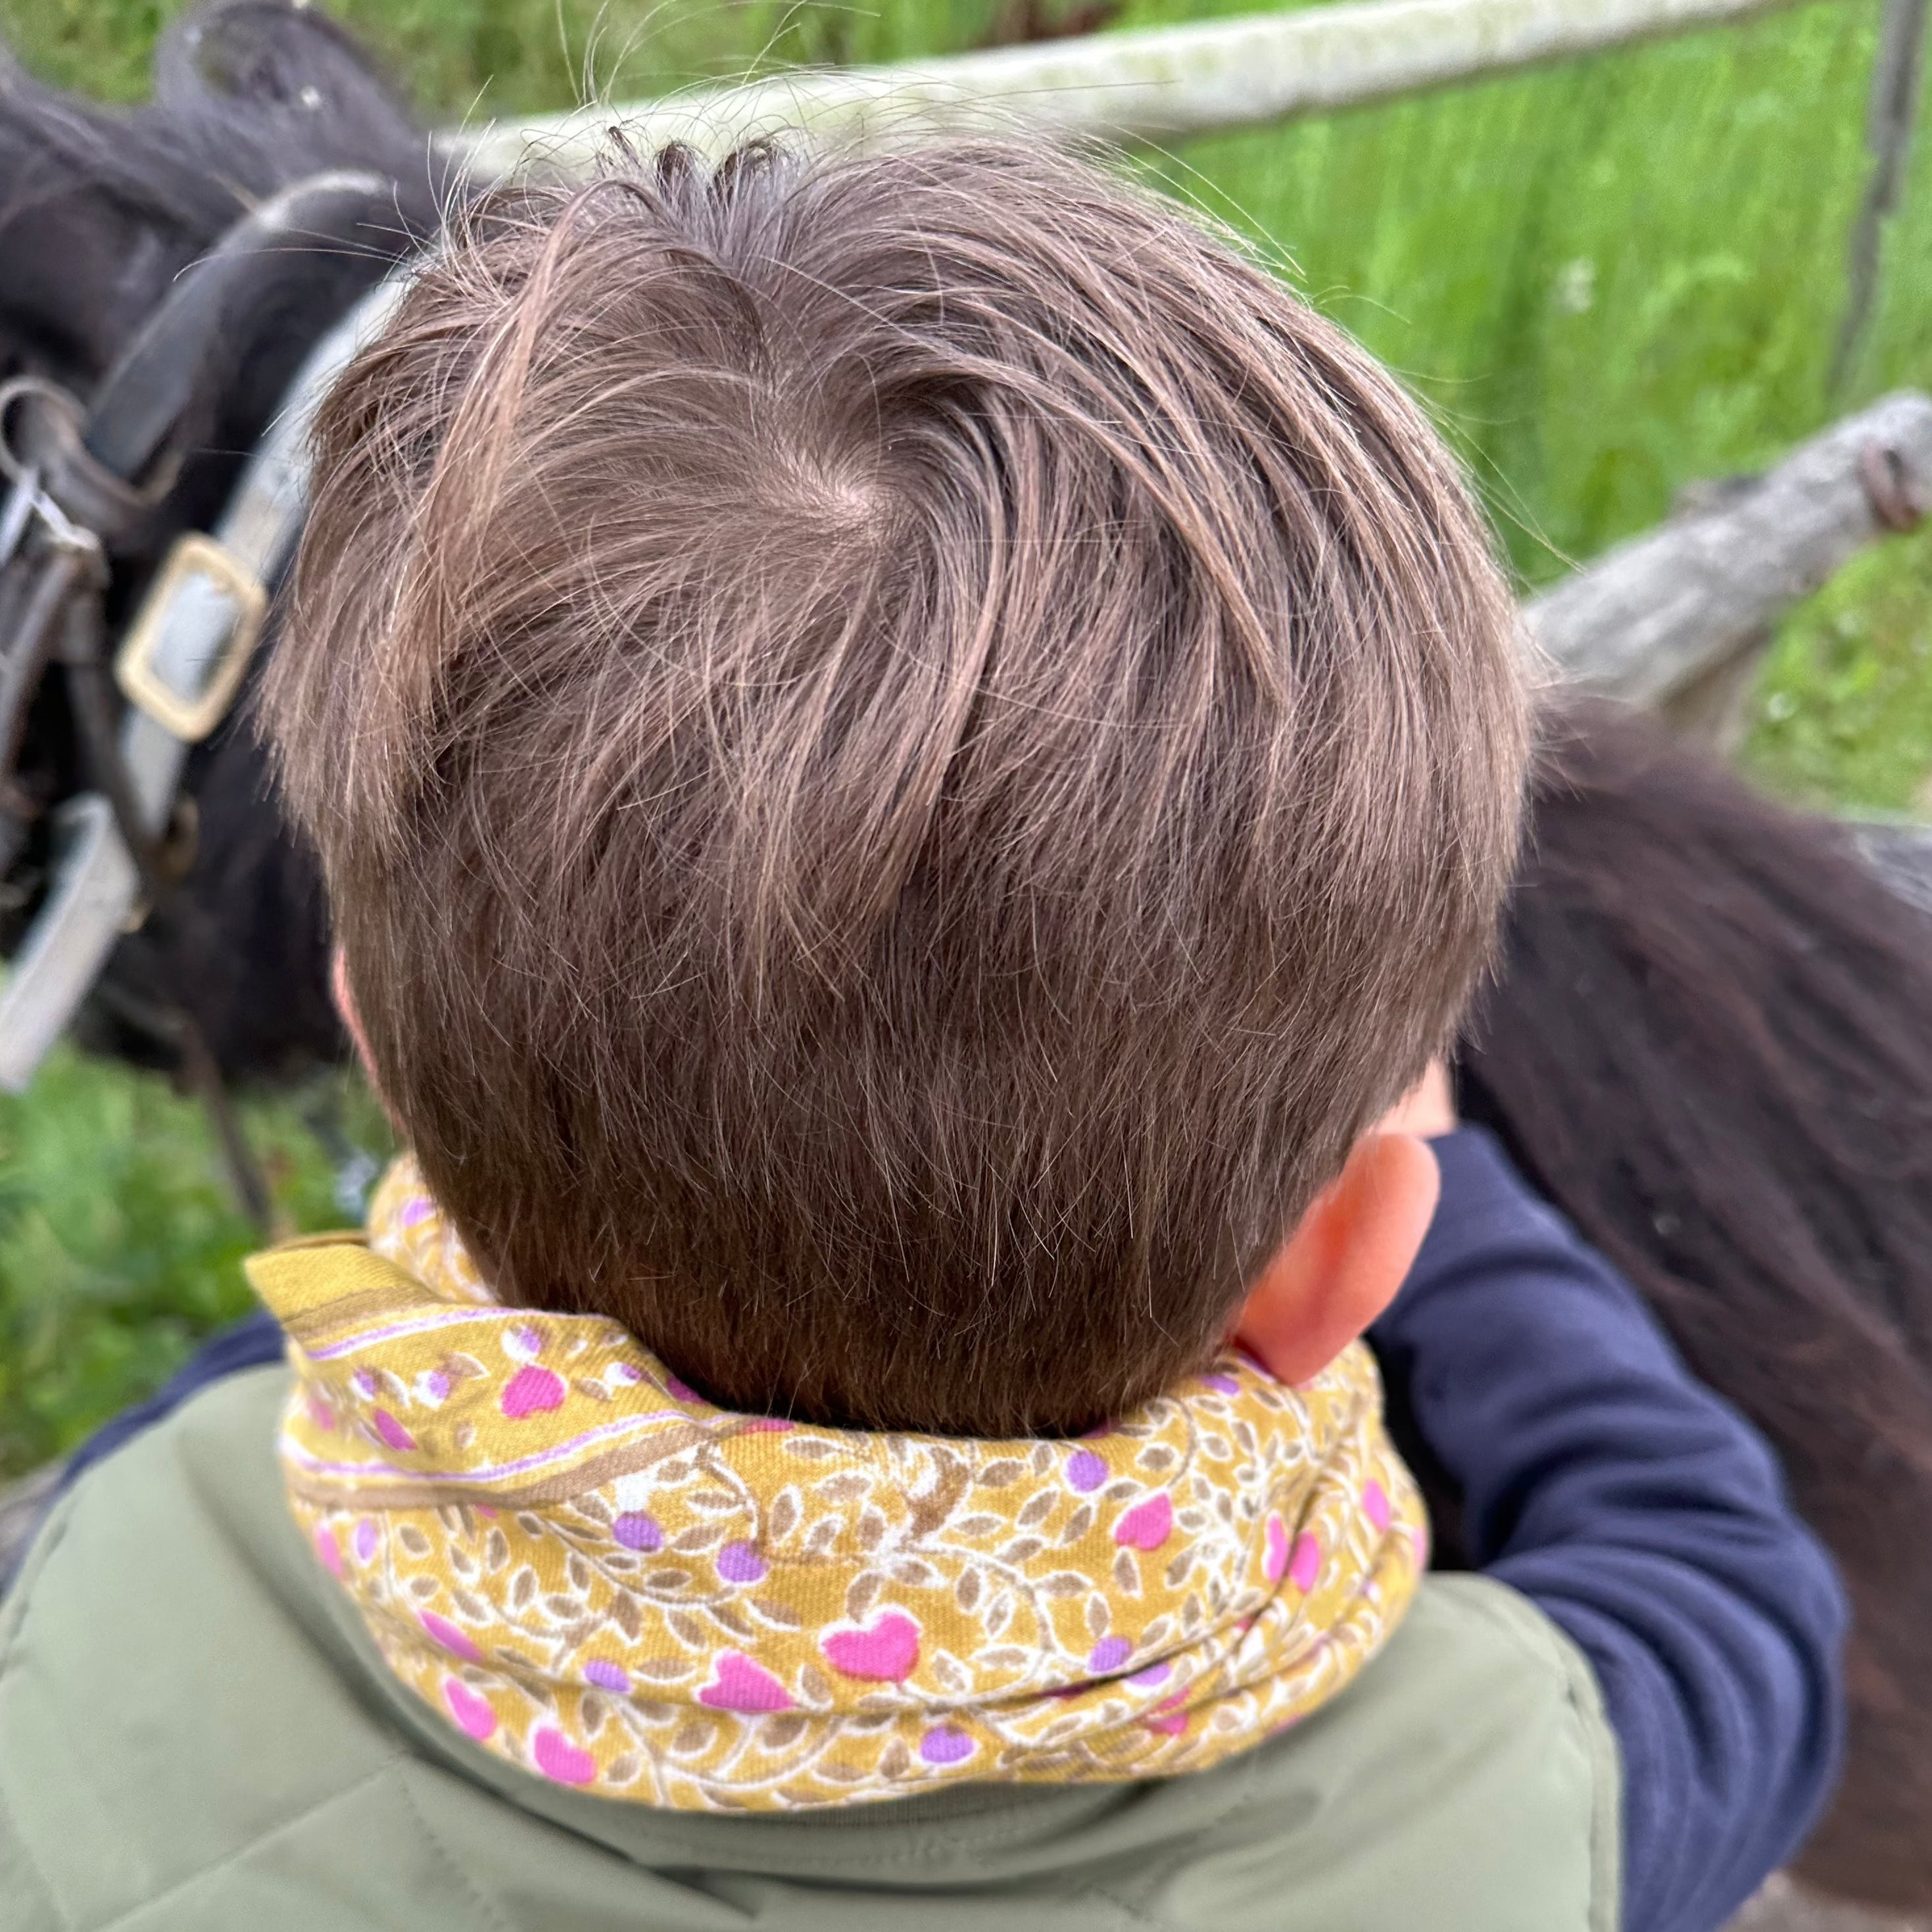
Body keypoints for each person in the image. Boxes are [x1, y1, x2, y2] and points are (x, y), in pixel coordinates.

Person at [0, 139, 1841, 1931]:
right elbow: (1726, 1595)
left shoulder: (118, 1595)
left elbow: (271, 1389)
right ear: (1343, 1256)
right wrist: (1431, 1166)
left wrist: (496, 1159)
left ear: (369, 1048)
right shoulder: (1481, 1806)